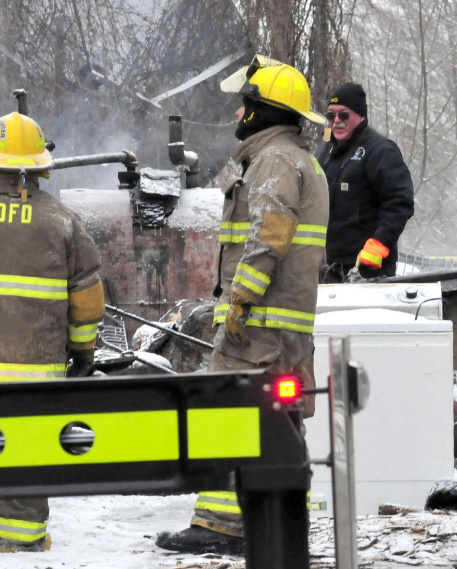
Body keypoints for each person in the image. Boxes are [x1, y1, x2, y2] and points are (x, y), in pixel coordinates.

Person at [155, 54, 329, 555]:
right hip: (283, 329)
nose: (238, 115)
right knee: (275, 426)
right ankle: (267, 523)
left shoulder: (275, 159)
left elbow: (269, 235)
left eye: (244, 106)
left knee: (227, 414)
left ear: (264, 111)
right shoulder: (299, 160)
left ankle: (217, 527)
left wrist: (240, 301)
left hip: (257, 328)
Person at [0, 112, 104, 553]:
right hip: (35, 373)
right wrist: (83, 353)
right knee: (23, 450)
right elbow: (87, 300)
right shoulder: (62, 221)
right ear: (40, 166)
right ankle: (21, 537)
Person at [313, 82, 414, 282]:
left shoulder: (380, 151)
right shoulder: (325, 151)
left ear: (360, 116)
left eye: (344, 115)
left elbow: (400, 203)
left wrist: (379, 243)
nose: (337, 121)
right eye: (331, 116)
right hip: (327, 267)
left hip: (368, 269)